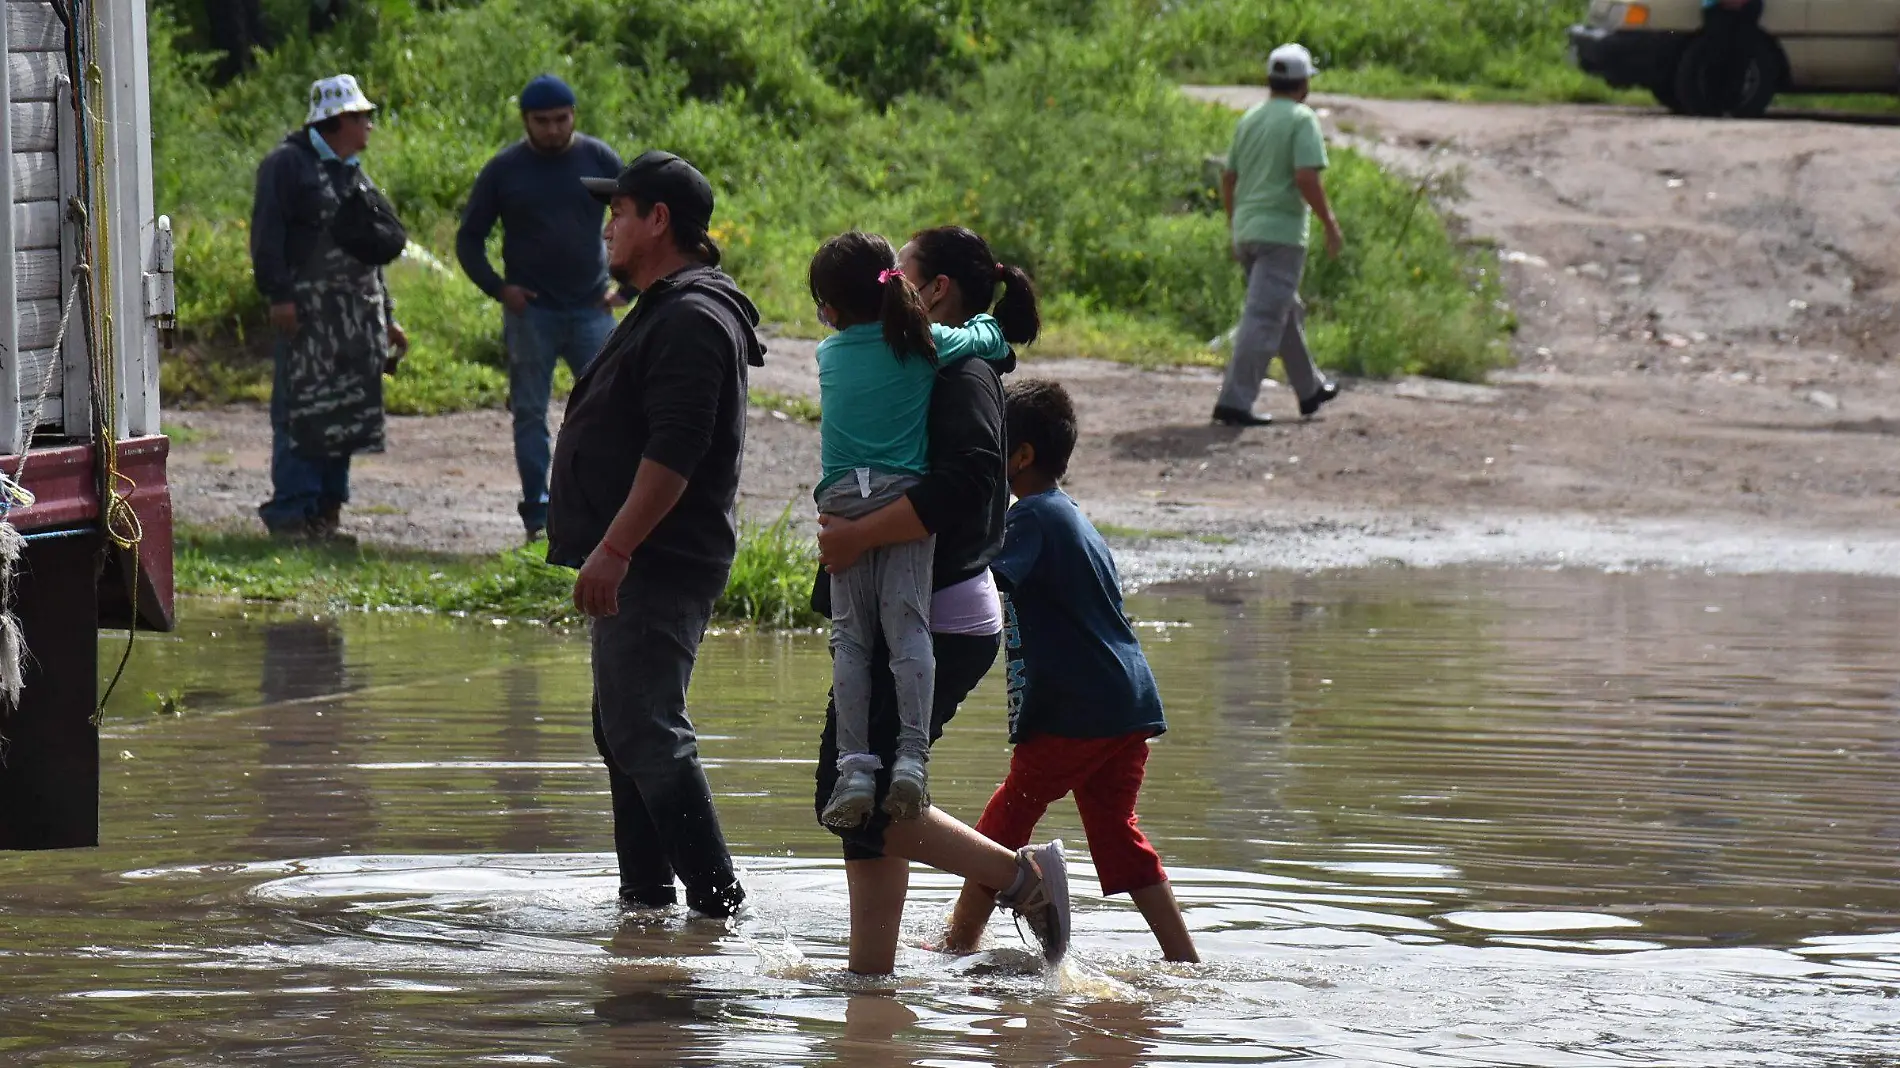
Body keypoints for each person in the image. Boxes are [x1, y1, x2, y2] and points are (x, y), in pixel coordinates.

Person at [813, 225, 1070, 974]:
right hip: (906, 608)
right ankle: (870, 978)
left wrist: (859, 539)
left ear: (937, 292)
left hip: (937, 616)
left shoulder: (957, 371)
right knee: (858, 800)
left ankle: (1020, 879)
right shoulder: (917, 354)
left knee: (854, 789)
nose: (889, 284)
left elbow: (962, 489)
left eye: (902, 273)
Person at [546, 151, 764, 919]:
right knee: (624, 729)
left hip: (659, 558)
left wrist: (616, 547)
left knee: (646, 729)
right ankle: (646, 907)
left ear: (658, 220)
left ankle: (718, 908)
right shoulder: (670, 305)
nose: (608, 226)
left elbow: (677, 451)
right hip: (647, 555)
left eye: (620, 211)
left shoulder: (694, 317)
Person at [942, 379, 1199, 964]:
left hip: (1078, 711)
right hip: (1125, 703)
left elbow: (975, 578)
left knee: (1004, 819)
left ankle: (957, 944)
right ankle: (1184, 963)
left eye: (991, 446)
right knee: (1116, 836)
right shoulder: (1068, 517)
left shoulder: (1031, 519)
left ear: (1022, 456)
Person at [808, 231, 1011, 830]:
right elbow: (990, 339)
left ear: (830, 308)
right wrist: (995, 328)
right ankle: (911, 762)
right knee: (906, 632)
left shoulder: (828, 354)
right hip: (899, 499)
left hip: (843, 505)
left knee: (851, 642)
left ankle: (854, 766)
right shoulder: (925, 348)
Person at [457, 74, 626, 543]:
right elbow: (470, 237)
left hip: (593, 308)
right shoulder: (505, 170)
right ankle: (538, 514)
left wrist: (626, 288)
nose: (552, 129)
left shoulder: (598, 159)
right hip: (532, 313)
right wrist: (499, 288)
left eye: (561, 119)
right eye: (542, 121)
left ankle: (603, 508)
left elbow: (636, 219)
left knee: (608, 409)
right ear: (525, 121)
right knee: (531, 413)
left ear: (574, 116)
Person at [250, 74, 407, 541]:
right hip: (309, 317)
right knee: (302, 413)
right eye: (364, 118)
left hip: (358, 322)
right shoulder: (285, 165)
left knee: (345, 416)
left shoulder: (353, 171)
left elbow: (369, 253)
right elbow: (266, 237)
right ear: (339, 120)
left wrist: (390, 317)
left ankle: (326, 512)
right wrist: (279, 295)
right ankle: (292, 514)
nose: (370, 127)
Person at [1215, 43, 1342, 428]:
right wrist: (1330, 223)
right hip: (1282, 235)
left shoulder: (1250, 118)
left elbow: (1229, 177)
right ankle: (1234, 402)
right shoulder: (1302, 119)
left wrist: (1235, 223)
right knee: (1263, 318)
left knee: (1282, 309)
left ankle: (1310, 389)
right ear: (1302, 84)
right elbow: (1306, 177)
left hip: (1249, 230)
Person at [1698, 0, 1766, 114]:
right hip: (1718, 7)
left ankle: (1731, 103)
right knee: (1717, 56)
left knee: (1740, 57)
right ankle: (1714, 104)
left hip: (1747, 6)